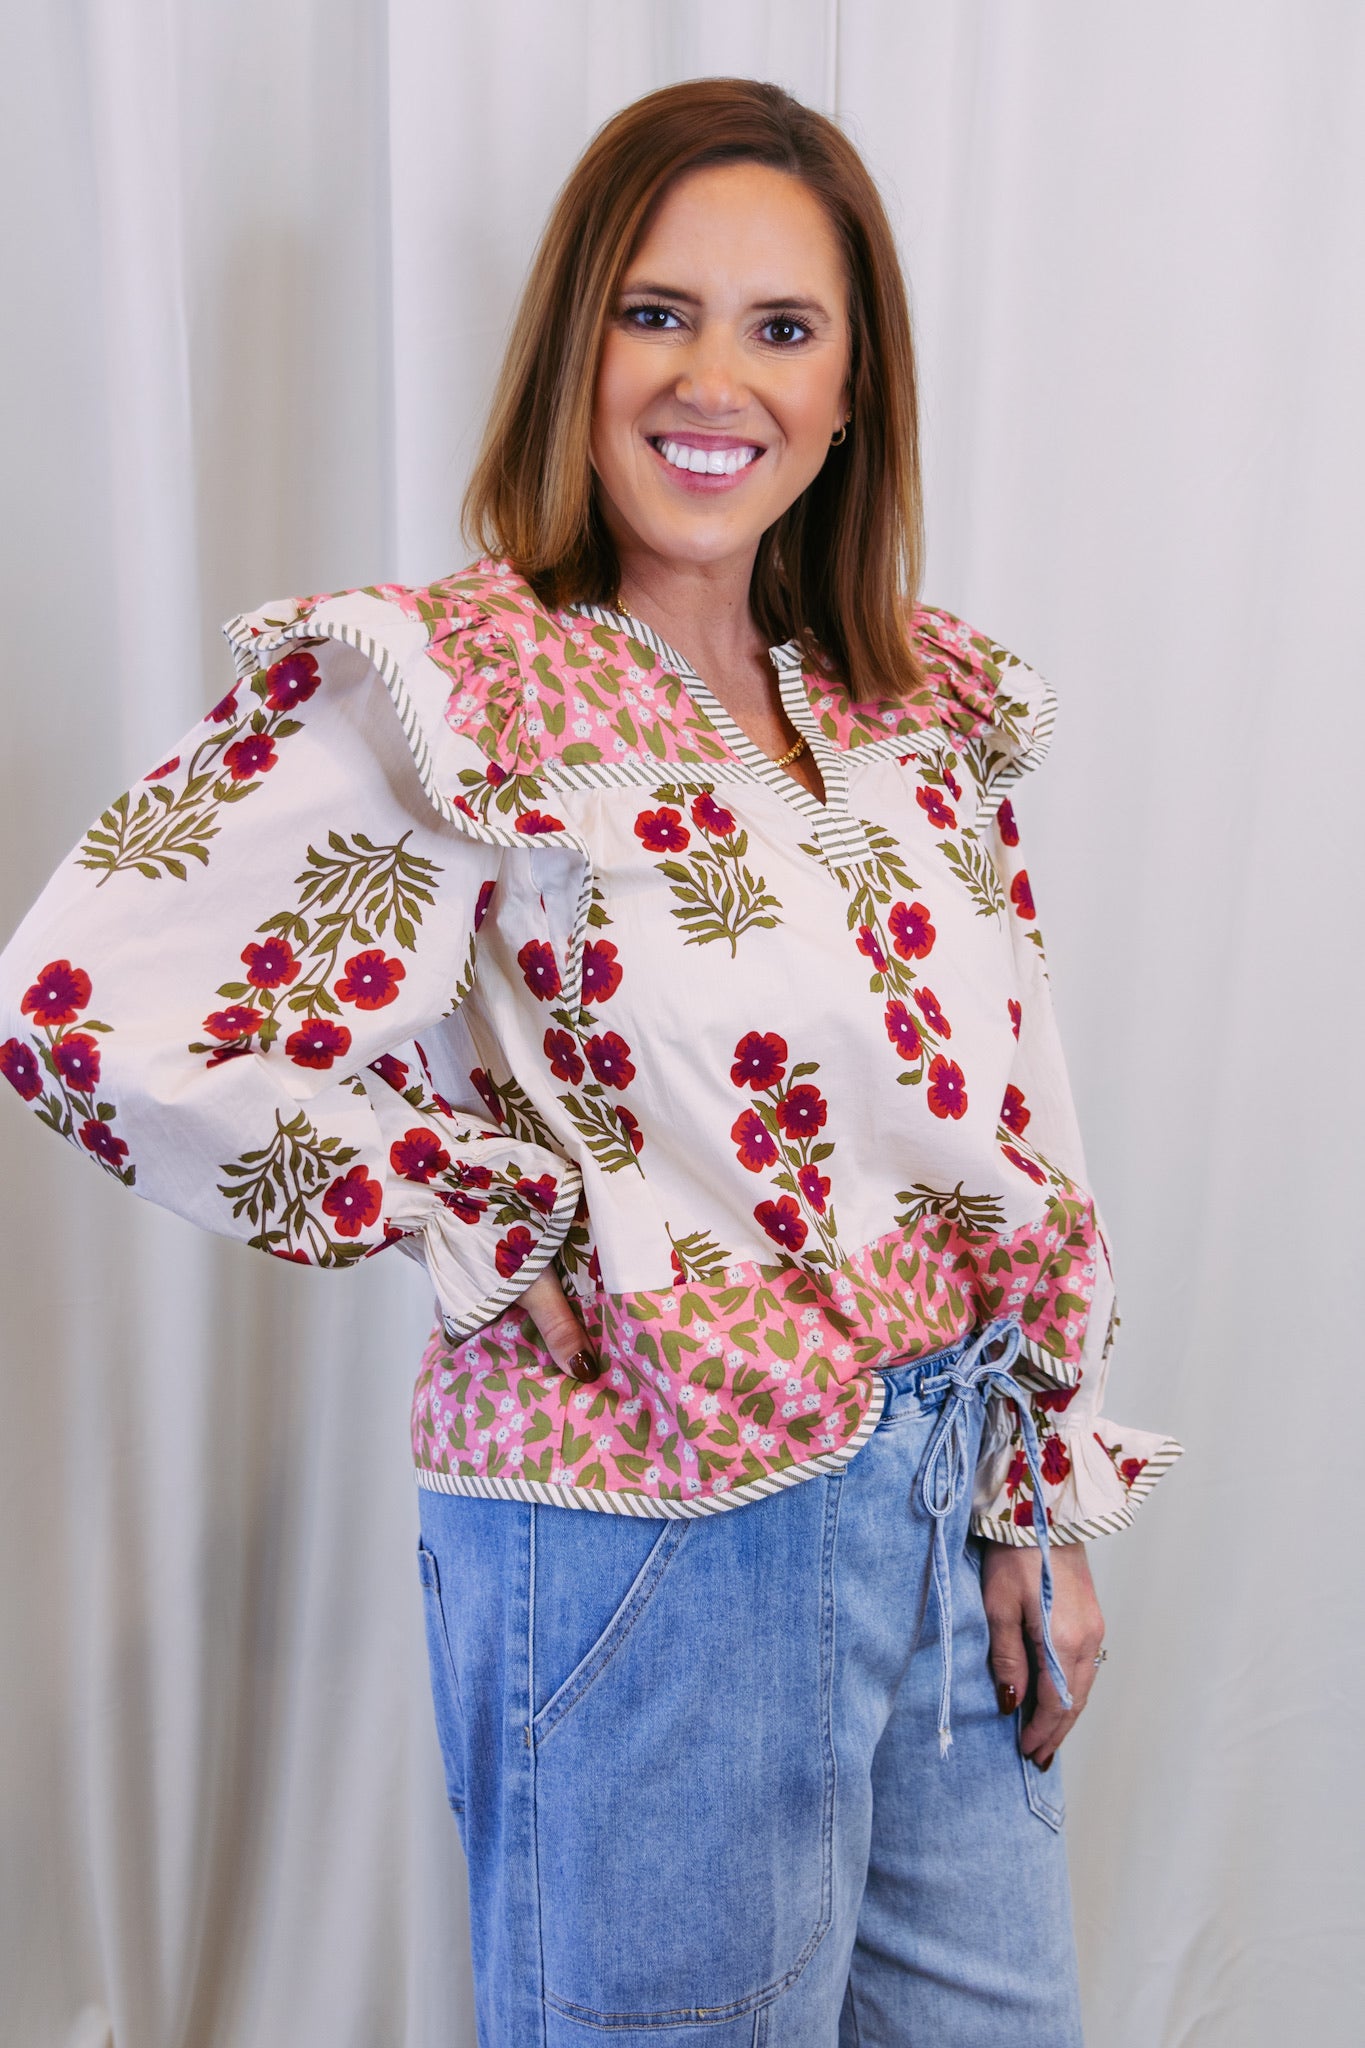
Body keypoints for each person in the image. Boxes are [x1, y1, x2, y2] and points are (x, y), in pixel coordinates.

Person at [0, 77, 1180, 2048]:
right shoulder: (458, 686)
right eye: (657, 311)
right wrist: (469, 1198)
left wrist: (1030, 1491)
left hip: (941, 1498)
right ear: (574, 342)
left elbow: (1008, 1119)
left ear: (849, 389)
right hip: (655, 1541)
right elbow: (79, 1000)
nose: (713, 376)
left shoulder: (902, 706)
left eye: (780, 328)